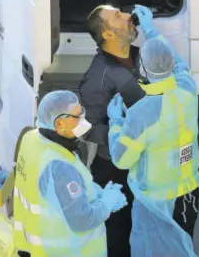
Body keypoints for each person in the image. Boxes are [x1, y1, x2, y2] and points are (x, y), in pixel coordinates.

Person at [106, 5, 199, 257]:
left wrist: (115, 122)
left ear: (141, 71)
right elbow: (178, 64)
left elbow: (122, 159)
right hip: (191, 194)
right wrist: (151, 30)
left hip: (158, 206)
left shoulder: (140, 114)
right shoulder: (187, 90)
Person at [13, 90, 127, 257]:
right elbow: (83, 220)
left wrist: (97, 192)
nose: (83, 121)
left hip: (32, 247)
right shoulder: (59, 166)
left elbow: (51, 189)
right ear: (59, 124)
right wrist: (107, 203)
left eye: (81, 112)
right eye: (77, 117)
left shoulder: (31, 138)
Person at [79, 4, 146, 257]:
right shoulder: (99, 77)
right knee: (120, 237)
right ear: (106, 34)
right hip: (116, 170)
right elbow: (88, 128)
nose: (130, 17)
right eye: (118, 16)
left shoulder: (141, 57)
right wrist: (120, 134)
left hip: (141, 163)